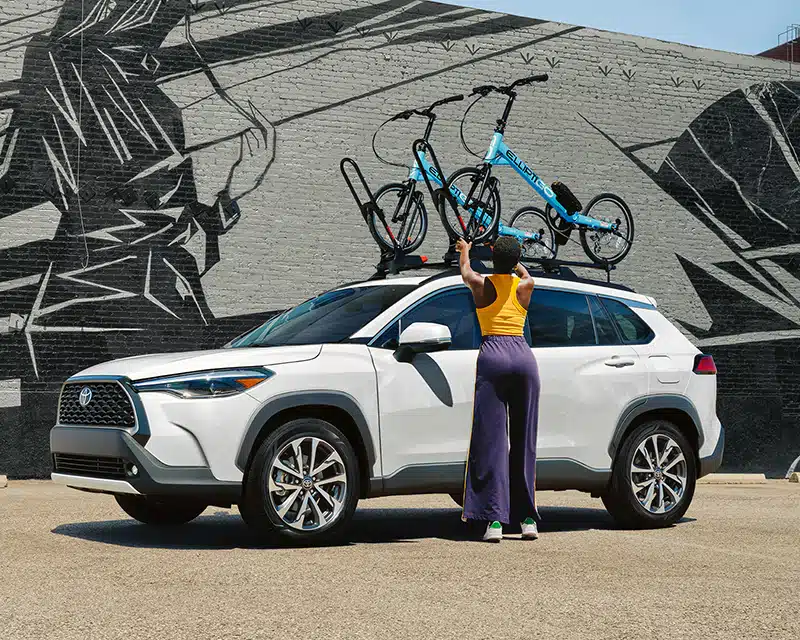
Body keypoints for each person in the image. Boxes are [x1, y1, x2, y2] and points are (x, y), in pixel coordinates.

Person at [456, 236, 541, 542]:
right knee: (524, 441)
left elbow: (465, 271)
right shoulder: (525, 286)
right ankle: (527, 520)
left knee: (492, 441)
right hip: (523, 357)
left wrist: (466, 250)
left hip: (493, 355)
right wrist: (513, 262)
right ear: (516, 260)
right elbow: (525, 273)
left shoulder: (481, 284)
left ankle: (494, 522)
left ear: (493, 257)